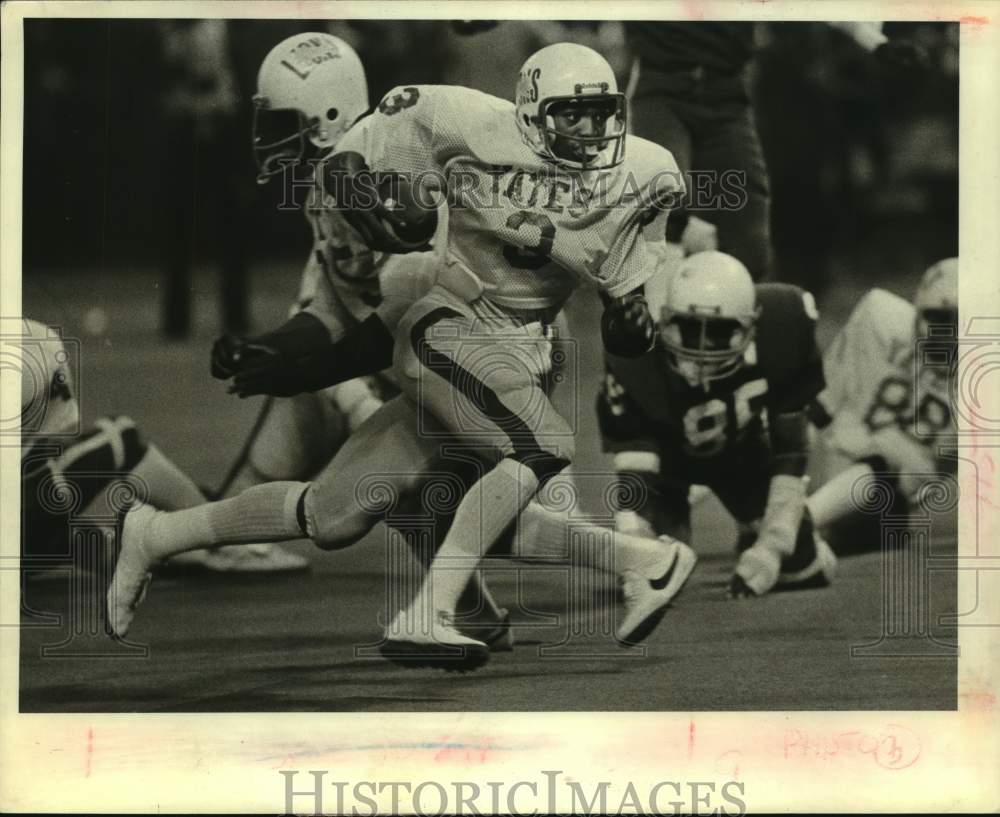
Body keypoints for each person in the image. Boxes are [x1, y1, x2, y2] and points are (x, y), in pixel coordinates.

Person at [109, 43, 698, 671]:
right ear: (530, 113)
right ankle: (435, 612)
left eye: (600, 113)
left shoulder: (643, 175)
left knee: (334, 514)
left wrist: (630, 321)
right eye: (571, 114)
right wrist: (350, 177)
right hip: (452, 328)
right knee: (536, 451)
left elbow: (628, 312)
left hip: (519, 351)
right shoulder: (470, 126)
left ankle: (157, 533)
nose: (590, 130)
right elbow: (389, 135)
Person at [599, 251, 838, 597]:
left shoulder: (785, 326)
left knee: (807, 566)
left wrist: (773, 545)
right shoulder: (636, 352)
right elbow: (636, 479)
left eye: (719, 332)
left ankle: (763, 532)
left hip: (742, 456)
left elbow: (791, 449)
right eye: (689, 328)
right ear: (664, 320)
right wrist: (634, 546)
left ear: (753, 323)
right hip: (668, 466)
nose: (701, 348)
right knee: (658, 573)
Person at [806, 258, 958, 529]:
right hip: (828, 459)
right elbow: (820, 403)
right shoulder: (882, 317)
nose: (945, 334)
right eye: (939, 318)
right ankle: (768, 517)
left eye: (960, 321)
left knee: (890, 456)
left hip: (883, 503)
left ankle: (798, 525)